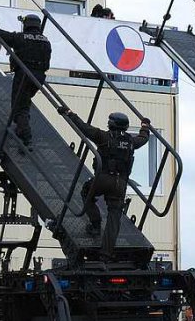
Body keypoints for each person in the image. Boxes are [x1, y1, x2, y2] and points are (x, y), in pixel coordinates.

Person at [58, 108, 151, 260]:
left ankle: (95, 225)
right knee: (114, 217)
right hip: (120, 184)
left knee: (86, 192)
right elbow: (143, 138)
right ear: (126, 126)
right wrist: (145, 125)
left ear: (110, 124)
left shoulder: (102, 136)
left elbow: (84, 128)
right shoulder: (131, 142)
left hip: (102, 179)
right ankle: (106, 254)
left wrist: (69, 113)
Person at [0, 13, 51, 150]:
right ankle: (20, 128)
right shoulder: (46, 41)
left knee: (19, 108)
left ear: (26, 25)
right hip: (39, 78)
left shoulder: (20, 38)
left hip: (24, 76)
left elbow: (0, 35)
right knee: (24, 102)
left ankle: (26, 138)